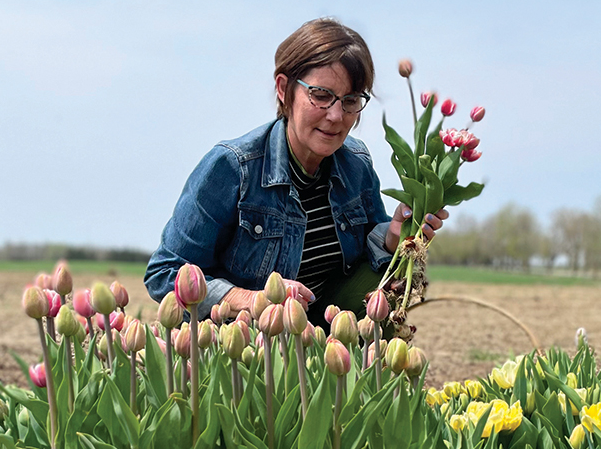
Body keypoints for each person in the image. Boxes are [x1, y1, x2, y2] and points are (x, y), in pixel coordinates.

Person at [144, 18, 447, 321]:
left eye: (351, 100)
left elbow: (368, 263)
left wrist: (394, 237)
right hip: (247, 342)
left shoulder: (356, 163)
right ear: (283, 88)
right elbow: (164, 273)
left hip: (320, 336)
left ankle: (359, 365)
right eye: (321, 95)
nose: (336, 115)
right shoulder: (232, 167)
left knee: (385, 287)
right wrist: (252, 299)